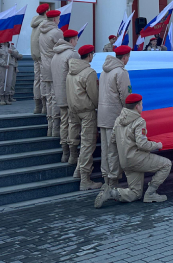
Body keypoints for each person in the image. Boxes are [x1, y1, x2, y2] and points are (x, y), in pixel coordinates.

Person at [95, 93, 172, 208]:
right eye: (141, 104)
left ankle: (111, 193)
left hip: (125, 161)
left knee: (135, 193)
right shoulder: (139, 121)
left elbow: (113, 140)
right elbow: (142, 144)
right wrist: (157, 145)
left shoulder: (118, 120)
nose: (142, 106)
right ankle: (151, 193)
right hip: (138, 159)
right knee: (166, 164)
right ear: (137, 106)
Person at [66, 44, 102, 191]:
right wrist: (97, 106)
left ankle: (77, 171)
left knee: (79, 139)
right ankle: (85, 180)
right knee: (88, 144)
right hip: (86, 111)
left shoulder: (70, 71)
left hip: (73, 109)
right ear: (90, 55)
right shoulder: (89, 72)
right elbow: (94, 95)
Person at [97, 45, 132, 193]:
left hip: (103, 114)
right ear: (124, 57)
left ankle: (106, 177)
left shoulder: (105, 71)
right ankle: (113, 180)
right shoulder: (121, 72)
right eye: (128, 57)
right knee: (113, 150)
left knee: (105, 148)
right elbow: (126, 95)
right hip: (114, 115)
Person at [52, 29, 80, 163]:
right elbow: (77, 76)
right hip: (70, 95)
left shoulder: (56, 54)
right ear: (72, 40)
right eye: (76, 39)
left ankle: (65, 152)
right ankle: (73, 154)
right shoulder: (72, 54)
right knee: (73, 124)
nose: (77, 41)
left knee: (64, 123)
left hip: (59, 94)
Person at [39, 10, 64, 136]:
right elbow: (62, 49)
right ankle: (55, 129)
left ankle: (50, 127)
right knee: (55, 97)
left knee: (49, 97)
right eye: (58, 18)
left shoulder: (41, 32)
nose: (59, 20)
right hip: (55, 67)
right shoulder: (56, 32)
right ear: (54, 19)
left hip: (44, 67)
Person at [30, 3, 50, 114]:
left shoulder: (35, 23)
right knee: (43, 80)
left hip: (35, 55)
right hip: (43, 55)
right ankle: (44, 106)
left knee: (36, 81)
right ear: (46, 11)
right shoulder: (44, 23)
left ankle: (37, 106)